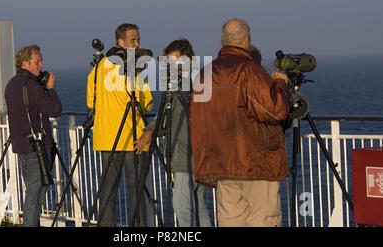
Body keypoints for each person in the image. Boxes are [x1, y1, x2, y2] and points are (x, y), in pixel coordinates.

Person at [190, 19, 290, 227]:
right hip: (255, 163)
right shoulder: (249, 70)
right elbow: (274, 110)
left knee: (231, 221)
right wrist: (280, 83)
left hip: (222, 164)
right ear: (247, 40)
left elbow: (196, 120)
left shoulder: (204, 74)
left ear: (221, 40)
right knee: (263, 219)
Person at [135, 38, 212, 227]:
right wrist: (152, 129)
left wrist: (152, 130)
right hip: (188, 155)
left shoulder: (194, 85)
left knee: (182, 205)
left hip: (189, 156)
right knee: (197, 204)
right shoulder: (182, 83)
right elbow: (169, 113)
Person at [86, 23, 153, 226]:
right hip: (133, 139)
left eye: (138, 39)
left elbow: (91, 101)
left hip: (106, 137)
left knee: (107, 191)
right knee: (136, 192)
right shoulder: (131, 67)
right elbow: (145, 102)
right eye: (133, 40)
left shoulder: (98, 68)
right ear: (121, 42)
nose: (137, 43)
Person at [5, 45, 62, 227]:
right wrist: (50, 89)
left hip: (22, 147)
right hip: (36, 149)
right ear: (25, 63)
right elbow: (54, 110)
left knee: (33, 192)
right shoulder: (31, 86)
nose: (41, 64)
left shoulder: (12, 84)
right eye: (37, 61)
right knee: (35, 196)